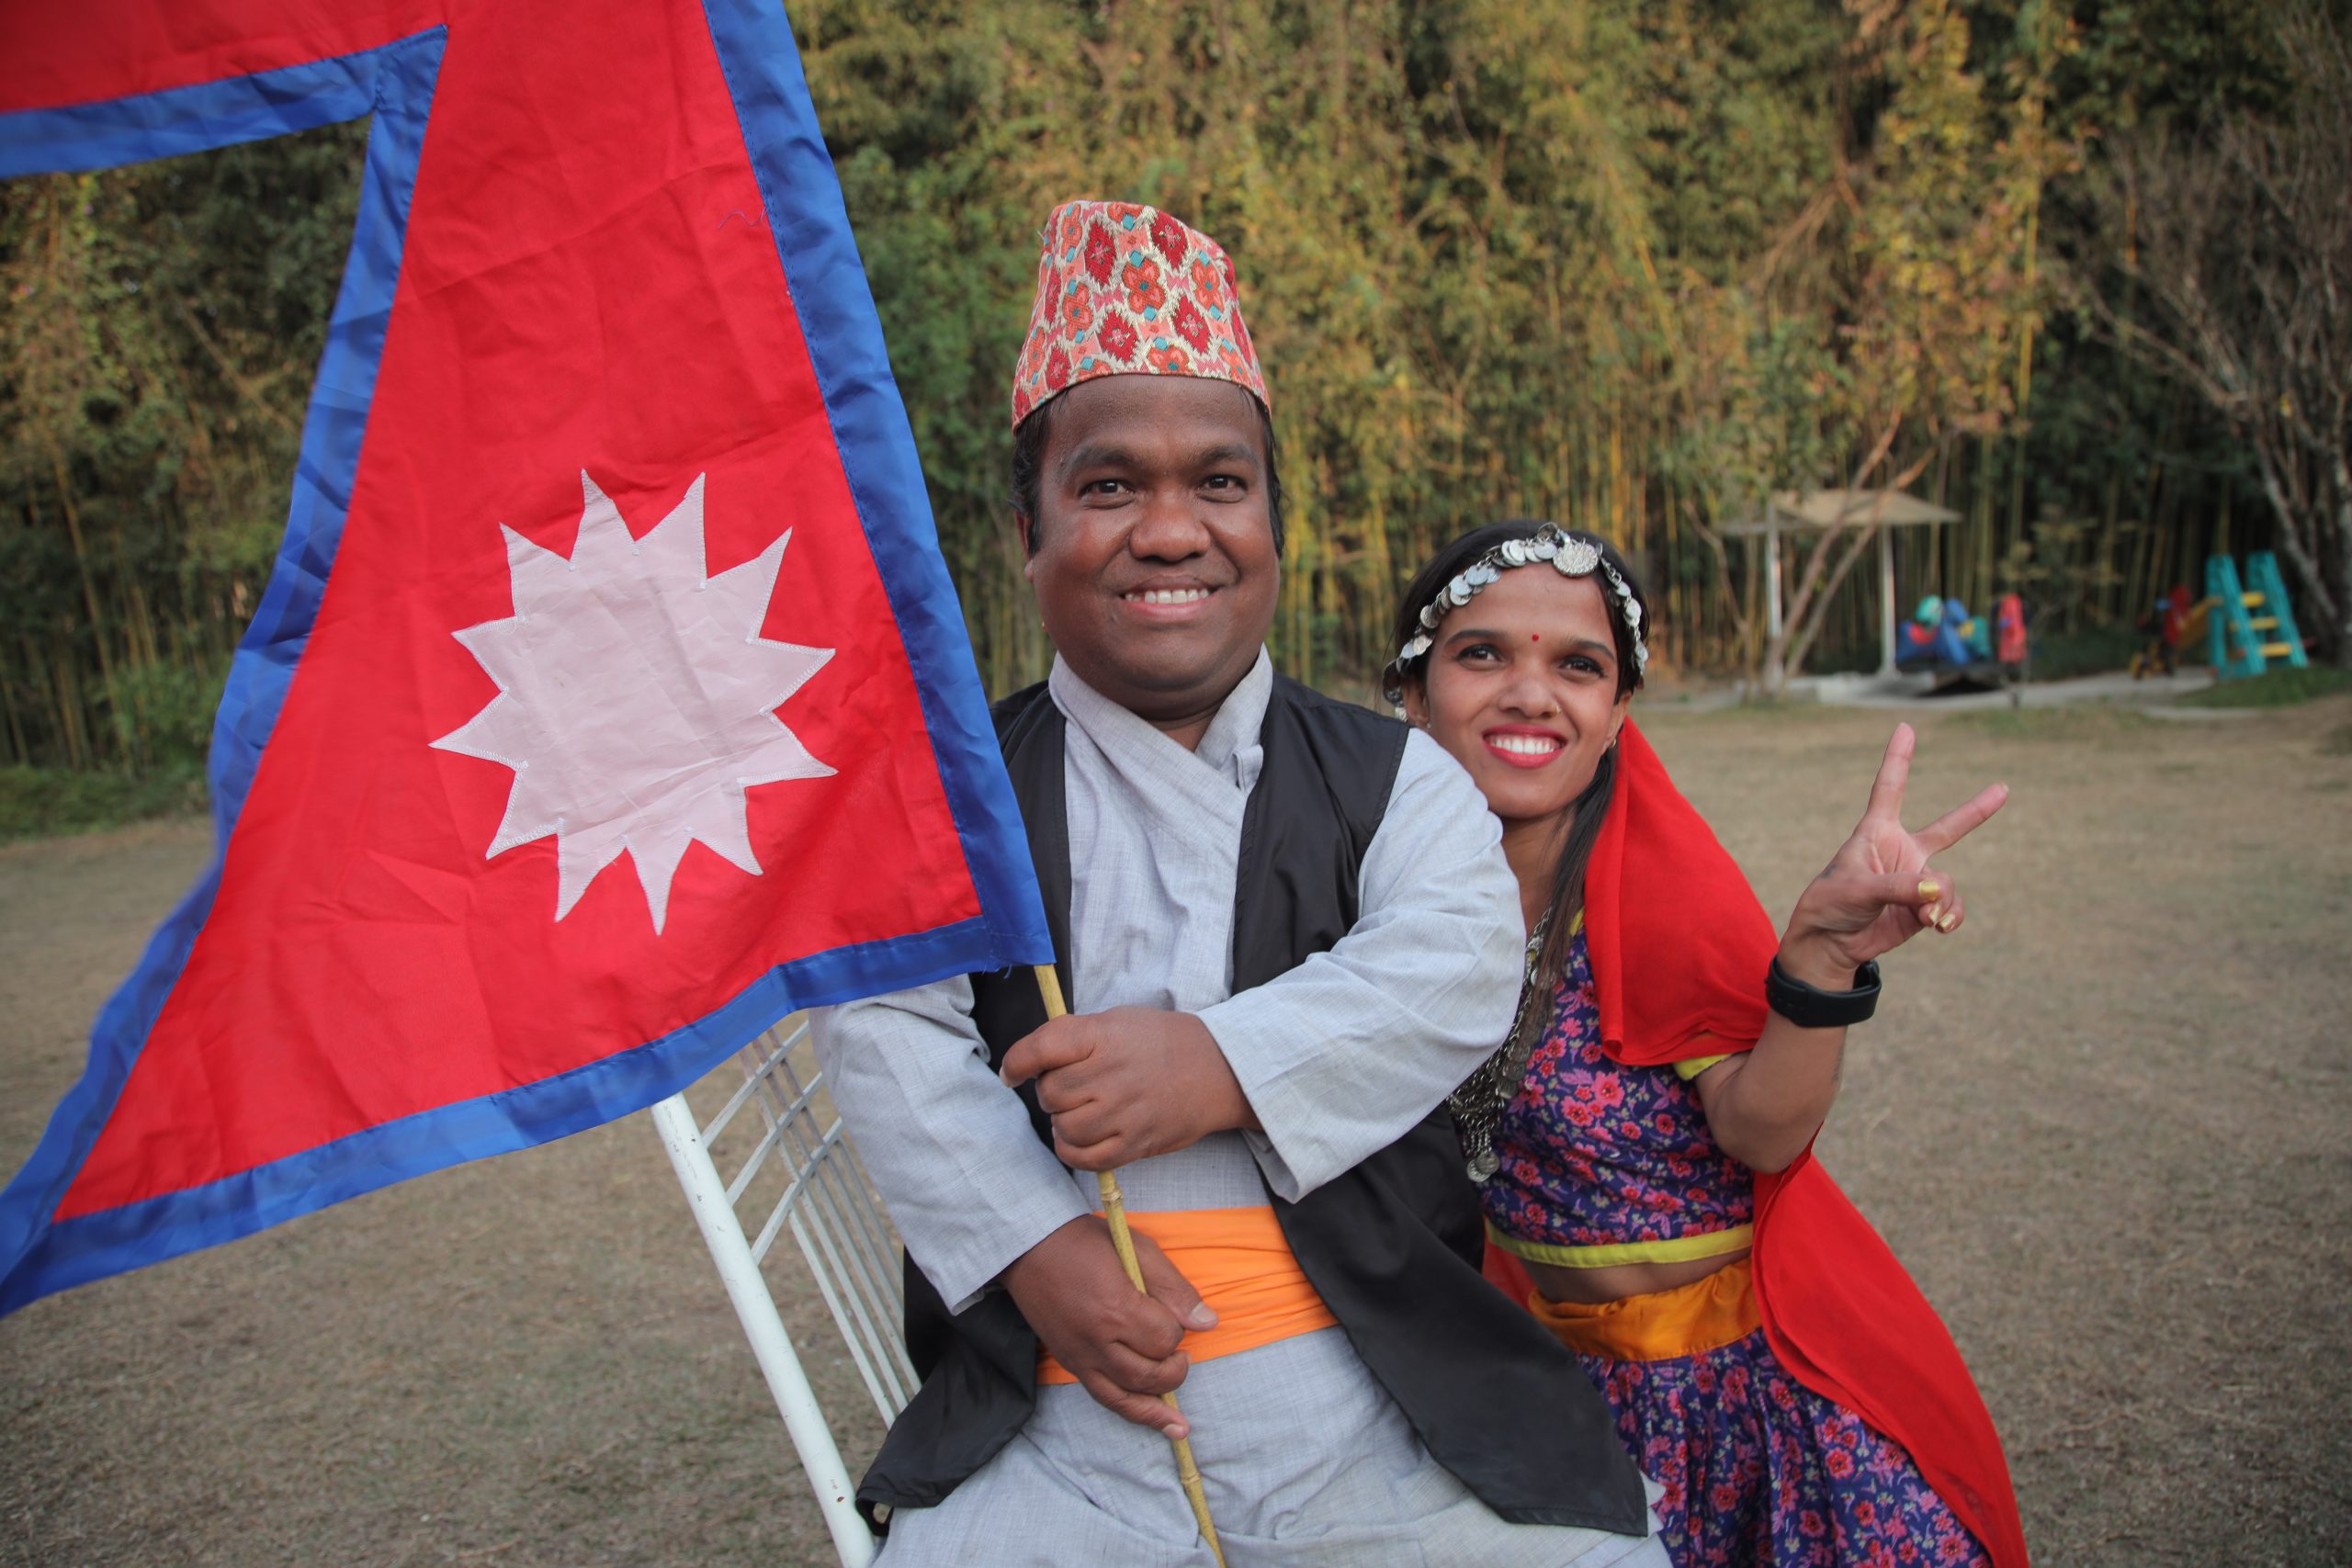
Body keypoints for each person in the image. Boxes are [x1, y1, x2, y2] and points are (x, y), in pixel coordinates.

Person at [810, 205, 1667, 1566]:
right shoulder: (947, 800)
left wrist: (1216, 1058)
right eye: (1106, 487)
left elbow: (1455, 961)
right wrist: (1040, 1247)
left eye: (1219, 481)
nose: (1170, 531)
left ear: (1271, 518)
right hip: (1063, 1423)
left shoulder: (1400, 779)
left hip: (1381, 1405)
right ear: (1025, 525)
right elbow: (882, 1030)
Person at [1385, 521, 2030, 1568]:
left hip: (1740, 1395)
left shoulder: (1654, 897)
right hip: (1543, 1388)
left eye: (1579, 667)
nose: (1530, 693)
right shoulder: (1373, 900)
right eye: (1482, 653)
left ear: (1615, 715)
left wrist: (1819, 963)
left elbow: (1762, 1132)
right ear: (1413, 693)